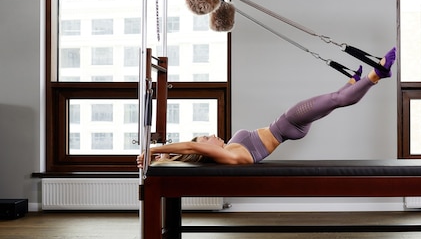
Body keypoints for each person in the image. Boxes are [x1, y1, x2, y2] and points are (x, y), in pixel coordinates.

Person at [136, 47, 396, 167]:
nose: (210, 135)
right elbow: (191, 147)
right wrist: (152, 149)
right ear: (205, 150)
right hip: (287, 124)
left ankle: (354, 81)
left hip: (288, 128)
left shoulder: (227, 149)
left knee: (334, 99)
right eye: (206, 138)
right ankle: (377, 75)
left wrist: (164, 157)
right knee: (336, 101)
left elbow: (187, 152)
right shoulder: (229, 156)